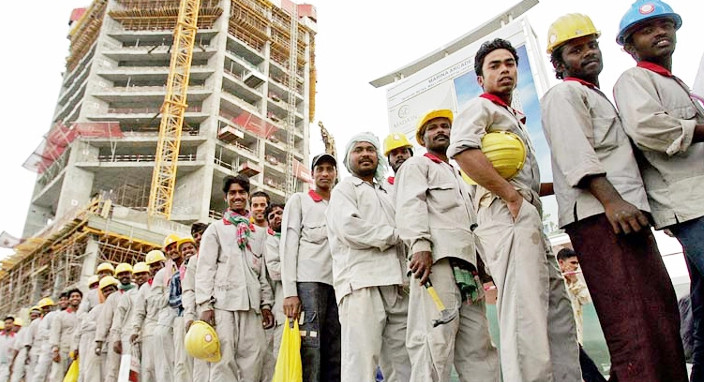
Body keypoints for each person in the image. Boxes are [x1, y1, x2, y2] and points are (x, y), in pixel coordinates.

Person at [542, 12, 688, 381]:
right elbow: (576, 153)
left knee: (659, 315)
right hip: (601, 216)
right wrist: (613, 202)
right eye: (576, 49)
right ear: (559, 64)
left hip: (628, 214)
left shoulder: (596, 96)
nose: (589, 52)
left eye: (592, 44)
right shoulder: (564, 93)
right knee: (633, 324)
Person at [448, 38, 581, 381]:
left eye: (509, 63)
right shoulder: (481, 107)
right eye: (494, 65)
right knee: (525, 315)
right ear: (480, 78)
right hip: (506, 213)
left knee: (556, 312)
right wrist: (510, 196)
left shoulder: (512, 117)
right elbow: (462, 151)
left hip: (527, 212)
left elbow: (529, 182)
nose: (504, 69)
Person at [613, 1, 704, 379]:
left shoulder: (678, 85)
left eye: (665, 25)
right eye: (648, 30)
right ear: (630, 46)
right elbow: (650, 130)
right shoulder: (634, 81)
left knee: (702, 306)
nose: (660, 32)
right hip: (689, 206)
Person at [395, 110, 500, 381]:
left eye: (445, 126)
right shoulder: (416, 166)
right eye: (433, 128)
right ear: (422, 138)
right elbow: (410, 205)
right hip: (436, 263)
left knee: (479, 345)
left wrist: (483, 263)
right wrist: (419, 245)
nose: (441, 131)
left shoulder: (459, 175)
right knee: (434, 342)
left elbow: (471, 224)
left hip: (468, 270)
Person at [327, 133, 411, 381]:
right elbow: (350, 229)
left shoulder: (388, 191)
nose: (365, 154)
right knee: (361, 363)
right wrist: (394, 235)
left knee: (403, 362)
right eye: (358, 150)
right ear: (348, 158)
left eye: (370, 150)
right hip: (361, 284)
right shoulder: (344, 189)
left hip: (397, 284)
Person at [196, 175, 274, 382]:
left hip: (252, 306)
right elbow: (205, 268)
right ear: (226, 197)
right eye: (233, 193)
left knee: (254, 360)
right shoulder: (215, 230)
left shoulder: (257, 233)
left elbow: (262, 273)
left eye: (241, 192)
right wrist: (205, 305)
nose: (237, 196)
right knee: (223, 362)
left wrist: (266, 304)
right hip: (223, 306)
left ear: (247, 196)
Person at [281, 153, 341, 382]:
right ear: (313, 174)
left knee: (335, 350)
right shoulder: (299, 200)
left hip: (338, 285)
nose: (325, 173)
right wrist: (290, 292)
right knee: (310, 347)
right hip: (309, 284)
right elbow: (288, 246)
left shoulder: (339, 204)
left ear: (336, 174)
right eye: (320, 169)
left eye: (330, 169)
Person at [130, 250, 167, 382]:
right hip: (150, 332)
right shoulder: (145, 288)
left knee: (167, 366)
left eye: (158, 264)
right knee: (149, 368)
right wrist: (135, 330)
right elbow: (139, 312)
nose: (155, 268)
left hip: (169, 328)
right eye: (152, 265)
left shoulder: (171, 279)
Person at [109, 262, 150, 381]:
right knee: (130, 372)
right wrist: (116, 338)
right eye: (137, 275)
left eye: (143, 274)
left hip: (147, 334)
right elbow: (119, 317)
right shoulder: (128, 295)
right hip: (129, 337)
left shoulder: (153, 290)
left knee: (147, 369)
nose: (140, 277)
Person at [95, 263, 135, 382]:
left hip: (134, 336)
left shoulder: (138, 292)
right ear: (117, 277)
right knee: (113, 369)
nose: (124, 276)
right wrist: (99, 342)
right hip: (116, 337)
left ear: (131, 275)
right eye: (121, 274)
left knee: (132, 369)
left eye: (126, 273)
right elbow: (105, 320)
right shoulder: (113, 297)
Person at [183, 223, 210, 382]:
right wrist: (189, 317)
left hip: (224, 312)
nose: (199, 238)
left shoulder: (222, 253)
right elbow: (188, 290)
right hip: (201, 317)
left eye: (202, 234)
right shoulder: (194, 261)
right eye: (196, 236)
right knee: (201, 364)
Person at [169, 236, 198, 382]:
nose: (188, 251)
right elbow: (172, 300)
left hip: (201, 314)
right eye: (184, 249)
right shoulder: (176, 276)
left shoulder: (203, 266)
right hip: (182, 318)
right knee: (182, 358)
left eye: (190, 248)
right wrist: (189, 296)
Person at [263, 203, 285, 356]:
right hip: (283, 304)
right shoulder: (271, 242)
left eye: (279, 213)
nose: (277, 217)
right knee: (283, 353)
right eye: (272, 216)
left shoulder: (301, 235)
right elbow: (275, 272)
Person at [49, 288, 82, 382]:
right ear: (68, 300)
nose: (75, 298)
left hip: (78, 352)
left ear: (81, 299)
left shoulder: (83, 315)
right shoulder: (60, 316)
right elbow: (55, 333)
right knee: (57, 377)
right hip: (62, 351)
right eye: (72, 296)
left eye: (77, 296)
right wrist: (55, 350)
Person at [33, 294, 67, 382]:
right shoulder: (52, 315)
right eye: (61, 300)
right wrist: (55, 335)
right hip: (48, 346)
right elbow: (42, 330)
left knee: (55, 373)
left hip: (63, 347)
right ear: (59, 302)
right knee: (41, 371)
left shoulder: (70, 314)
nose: (63, 302)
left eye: (65, 299)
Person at [13, 307, 41, 382]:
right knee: (17, 375)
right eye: (32, 316)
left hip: (35, 352)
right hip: (22, 352)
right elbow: (17, 347)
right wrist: (13, 359)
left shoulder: (41, 328)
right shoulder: (24, 330)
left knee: (32, 375)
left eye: (36, 316)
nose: (34, 318)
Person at [0, 316, 15, 382]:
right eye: (6, 323)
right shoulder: (0, 335)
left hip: (7, 364)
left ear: (12, 324)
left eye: (9, 323)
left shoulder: (16, 337)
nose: (7, 325)